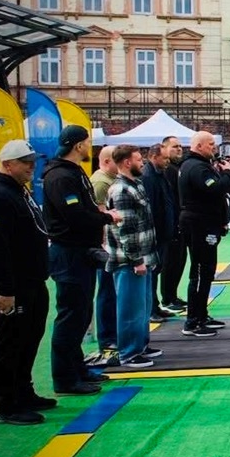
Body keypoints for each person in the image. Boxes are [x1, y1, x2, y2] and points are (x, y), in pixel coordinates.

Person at [0, 139, 53, 425]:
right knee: (9, 343)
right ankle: (7, 405)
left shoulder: (18, 191)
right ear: (8, 164)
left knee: (29, 337)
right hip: (13, 284)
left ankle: (23, 392)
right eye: (25, 162)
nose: (32, 167)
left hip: (31, 279)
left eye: (33, 161)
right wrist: (3, 290)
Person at [43, 125, 117, 395]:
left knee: (82, 313)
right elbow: (75, 215)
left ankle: (78, 369)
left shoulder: (74, 173)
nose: (89, 146)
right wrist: (107, 217)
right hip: (69, 253)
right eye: (87, 142)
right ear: (77, 146)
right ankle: (65, 379)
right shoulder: (61, 177)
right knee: (71, 316)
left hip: (81, 252)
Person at [104, 146, 162, 369]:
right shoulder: (121, 190)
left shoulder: (135, 184)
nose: (143, 163)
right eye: (139, 160)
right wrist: (136, 260)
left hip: (144, 257)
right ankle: (129, 352)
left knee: (143, 306)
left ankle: (140, 345)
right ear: (127, 162)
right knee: (130, 308)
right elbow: (126, 231)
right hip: (130, 261)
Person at [179, 131, 230, 337]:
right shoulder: (197, 167)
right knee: (201, 272)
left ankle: (201, 314)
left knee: (206, 271)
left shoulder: (195, 166)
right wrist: (228, 172)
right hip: (200, 224)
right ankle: (193, 321)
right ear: (199, 146)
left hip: (204, 223)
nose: (214, 148)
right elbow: (216, 189)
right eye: (210, 144)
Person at [89, 146, 124, 361]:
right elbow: (101, 216)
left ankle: (112, 333)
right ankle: (107, 336)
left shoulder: (109, 179)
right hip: (106, 245)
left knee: (112, 291)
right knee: (107, 291)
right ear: (107, 161)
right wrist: (104, 245)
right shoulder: (101, 182)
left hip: (112, 243)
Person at [141, 143, 177, 321]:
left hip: (163, 232)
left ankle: (155, 306)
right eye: (164, 158)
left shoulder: (160, 175)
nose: (167, 161)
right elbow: (152, 209)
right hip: (156, 233)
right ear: (154, 157)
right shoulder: (148, 177)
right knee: (152, 272)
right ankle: (151, 309)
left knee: (157, 270)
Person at [157, 137, 188, 314]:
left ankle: (173, 295)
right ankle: (167, 297)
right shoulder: (167, 171)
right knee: (170, 262)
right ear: (164, 148)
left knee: (180, 261)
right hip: (172, 223)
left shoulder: (178, 168)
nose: (179, 149)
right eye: (175, 146)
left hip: (180, 221)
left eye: (180, 146)